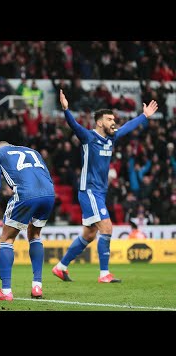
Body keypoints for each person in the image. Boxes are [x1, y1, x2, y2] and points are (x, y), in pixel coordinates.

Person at [52, 90, 158, 283]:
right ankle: (104, 274)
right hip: (89, 190)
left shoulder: (111, 138)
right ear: (99, 122)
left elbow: (127, 127)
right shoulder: (88, 137)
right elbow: (74, 126)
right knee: (107, 228)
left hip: (100, 191)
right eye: (109, 119)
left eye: (113, 119)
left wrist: (144, 116)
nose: (113, 122)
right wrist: (66, 109)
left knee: (90, 234)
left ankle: (61, 267)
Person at [0, 141, 55, 301]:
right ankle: (37, 285)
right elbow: (47, 175)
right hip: (49, 194)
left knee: (7, 238)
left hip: (25, 194)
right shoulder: (33, 151)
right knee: (35, 235)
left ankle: (6, 291)